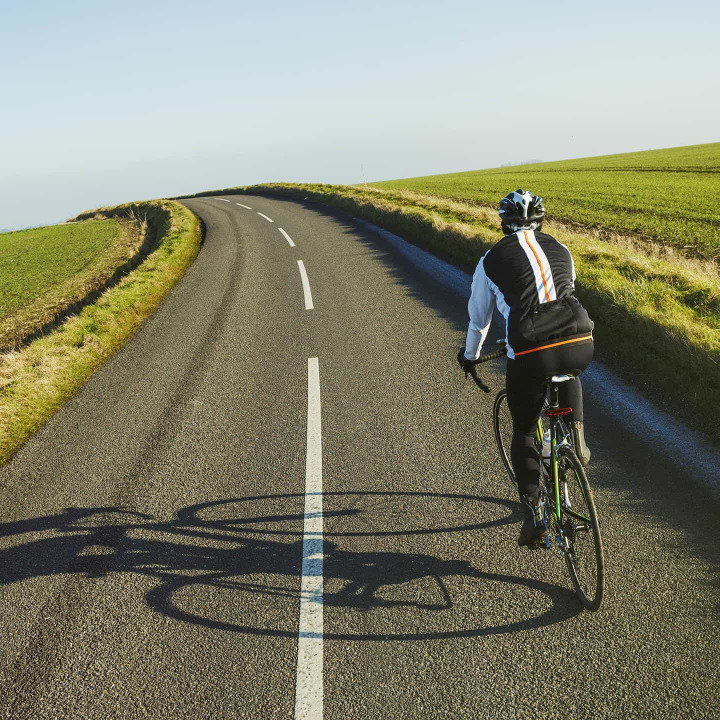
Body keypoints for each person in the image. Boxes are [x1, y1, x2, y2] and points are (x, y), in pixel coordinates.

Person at [458, 189, 594, 547]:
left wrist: (470, 356)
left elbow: (478, 321)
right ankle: (577, 440)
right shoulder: (561, 248)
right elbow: (563, 290)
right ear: (542, 219)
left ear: (502, 221)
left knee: (523, 430)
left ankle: (534, 513)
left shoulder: (490, 260)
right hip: (579, 338)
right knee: (568, 371)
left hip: (532, 347)